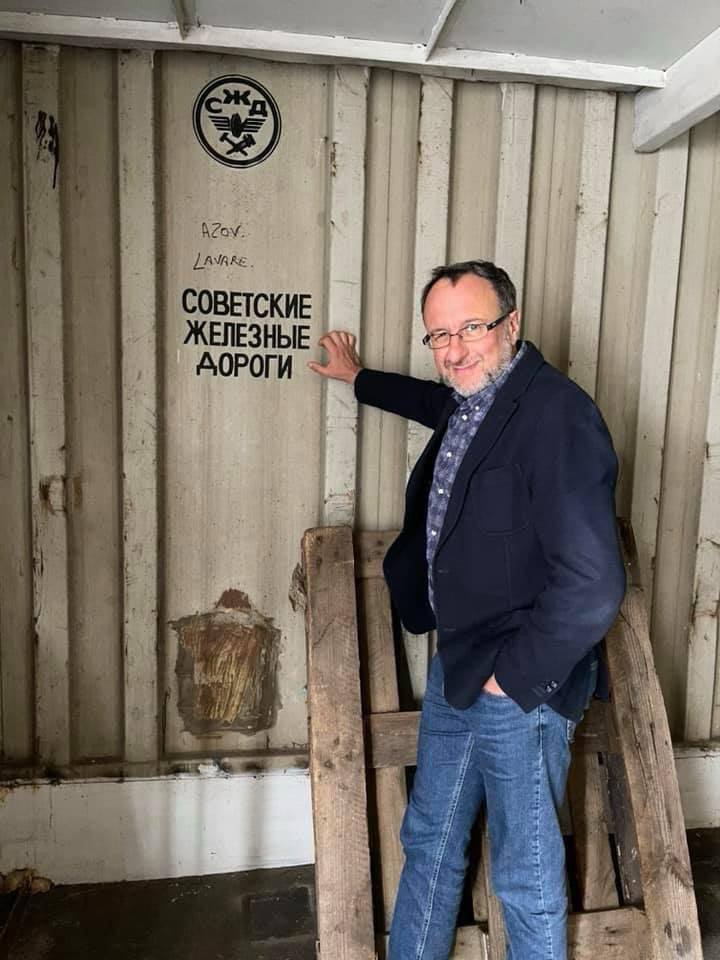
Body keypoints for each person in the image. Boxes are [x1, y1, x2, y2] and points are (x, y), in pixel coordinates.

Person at [308, 259, 625, 960]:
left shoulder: (558, 416)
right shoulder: (470, 399)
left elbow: (595, 583)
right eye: (439, 335)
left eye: (471, 329)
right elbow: (430, 398)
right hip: (460, 661)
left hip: (519, 682)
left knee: (524, 870)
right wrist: (356, 378)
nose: (454, 351)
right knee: (430, 839)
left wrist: (512, 680)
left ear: (512, 324)